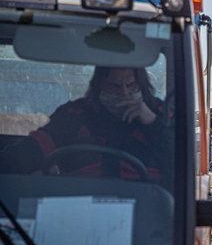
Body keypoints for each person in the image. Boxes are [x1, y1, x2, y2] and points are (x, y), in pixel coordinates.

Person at [0, 67, 173, 185]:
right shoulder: (73, 115)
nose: (124, 93)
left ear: (142, 86)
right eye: (114, 86)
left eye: (131, 86)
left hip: (145, 208)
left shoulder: (161, 114)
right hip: (78, 206)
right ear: (99, 86)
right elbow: (34, 148)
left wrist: (151, 123)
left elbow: (180, 163)